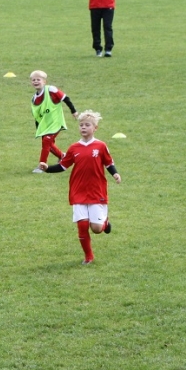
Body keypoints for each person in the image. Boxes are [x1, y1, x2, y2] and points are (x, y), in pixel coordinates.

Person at [39, 110, 121, 265]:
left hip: (96, 190)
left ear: (95, 128)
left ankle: (104, 223)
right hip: (78, 191)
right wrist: (47, 168)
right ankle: (88, 257)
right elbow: (63, 166)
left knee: (96, 229)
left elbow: (109, 163)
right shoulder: (74, 148)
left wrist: (115, 174)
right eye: (81, 125)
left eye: (87, 125)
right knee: (82, 225)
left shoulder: (101, 146)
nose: (83, 127)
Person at [30, 70, 77, 173]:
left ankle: (42, 166)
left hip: (55, 123)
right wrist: (39, 129)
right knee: (48, 144)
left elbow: (65, 98)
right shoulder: (34, 99)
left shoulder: (51, 90)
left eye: (38, 79)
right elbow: (37, 116)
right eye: (33, 80)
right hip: (45, 126)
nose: (36, 81)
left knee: (46, 141)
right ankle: (62, 156)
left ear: (44, 81)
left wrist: (73, 111)